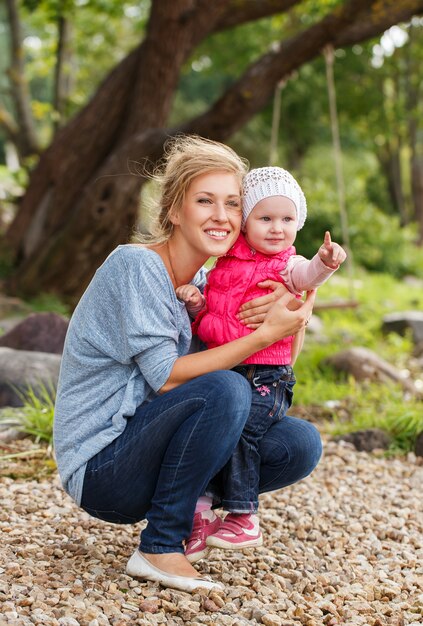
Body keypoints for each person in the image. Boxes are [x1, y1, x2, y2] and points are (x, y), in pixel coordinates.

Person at [53, 138, 321, 594]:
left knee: (299, 442)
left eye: (233, 204)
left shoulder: (205, 284)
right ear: (175, 211)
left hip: (151, 452)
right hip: (103, 467)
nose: (221, 215)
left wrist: (297, 309)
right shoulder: (136, 266)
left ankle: (191, 516)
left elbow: (276, 360)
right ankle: (160, 546)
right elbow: (167, 378)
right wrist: (263, 333)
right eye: (205, 201)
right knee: (226, 389)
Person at [177, 166, 345, 556]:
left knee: (240, 433)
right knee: (208, 434)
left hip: (266, 374)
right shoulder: (224, 263)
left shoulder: (288, 264)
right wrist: (196, 302)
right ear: (246, 221)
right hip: (223, 367)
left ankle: (242, 515)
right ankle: (199, 514)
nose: (276, 228)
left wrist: (326, 262)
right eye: (265, 218)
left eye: (287, 219)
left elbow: (307, 277)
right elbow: (216, 310)